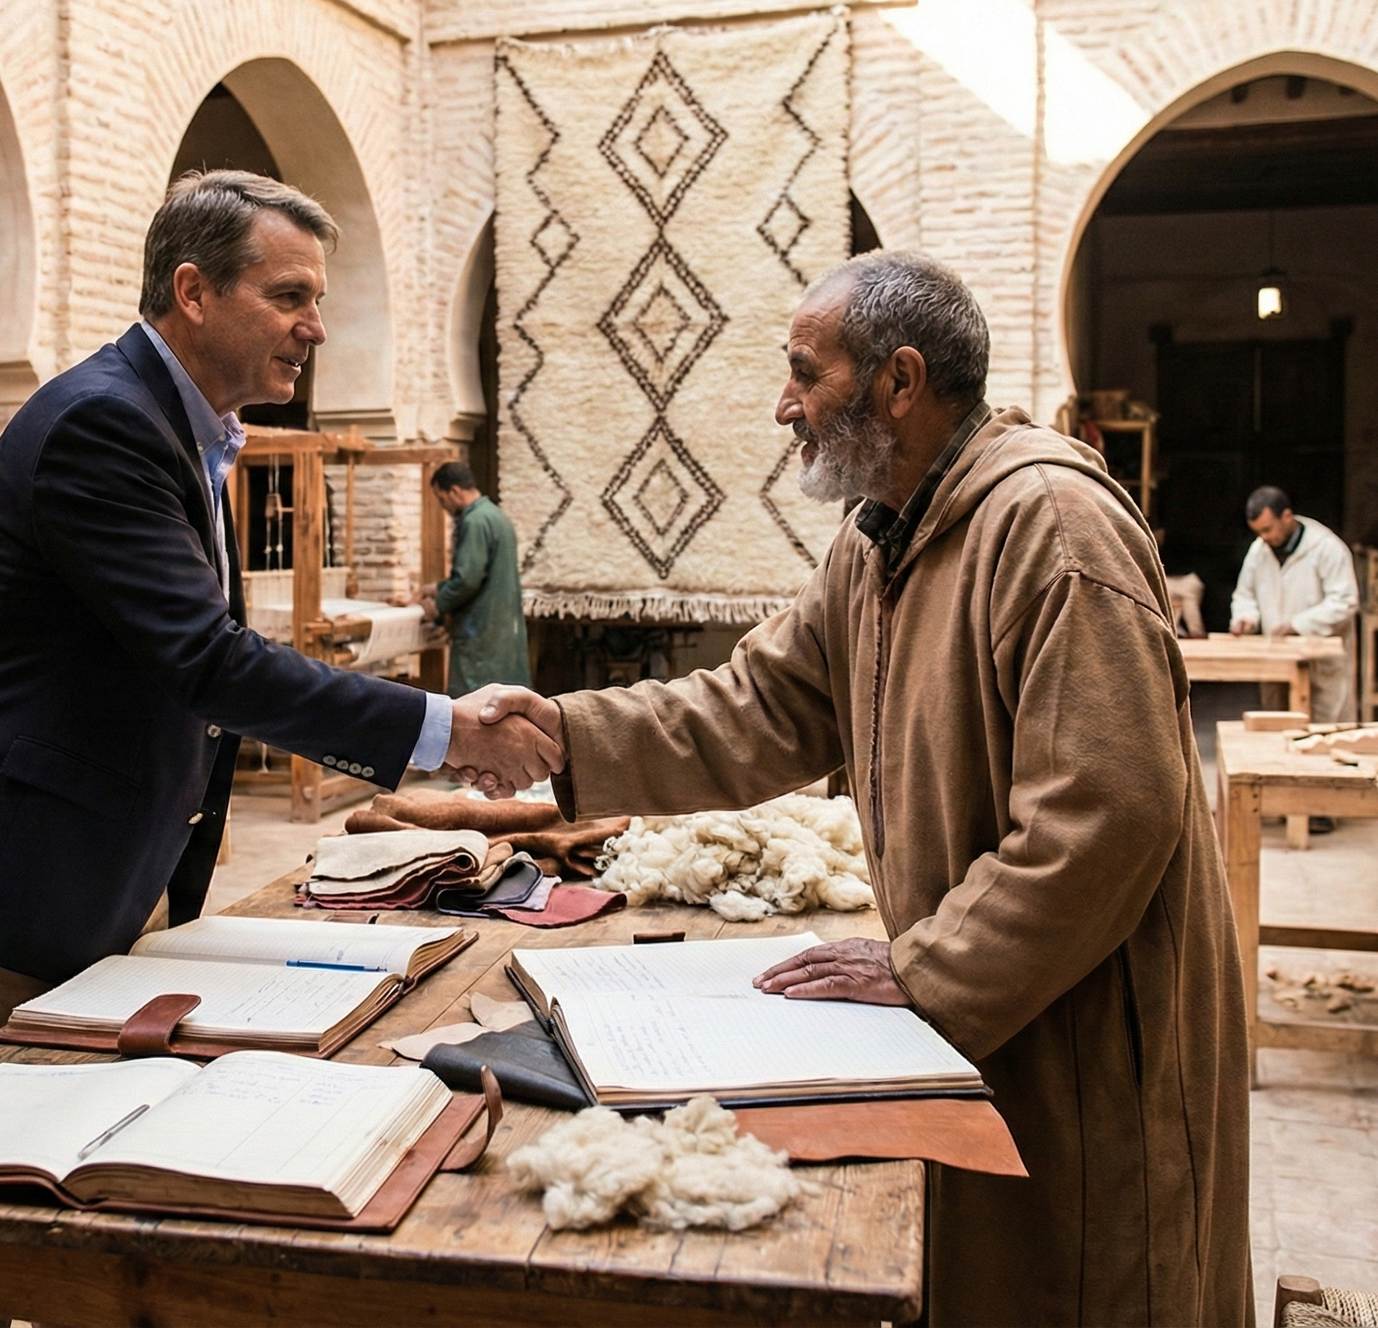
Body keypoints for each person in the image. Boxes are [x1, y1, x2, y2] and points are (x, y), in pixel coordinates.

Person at [470, 250, 1250, 1326]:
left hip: (1085, 1032)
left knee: (1091, 1275)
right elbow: (760, 705)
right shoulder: (879, 534)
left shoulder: (1047, 526)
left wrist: (929, 964)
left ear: (899, 381)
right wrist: (564, 733)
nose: (784, 406)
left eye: (806, 373)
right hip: (992, 1009)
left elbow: (1108, 812)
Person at [0, 170, 556, 1090]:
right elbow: (206, 658)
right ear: (193, 292)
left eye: (318, 300)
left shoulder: (182, 426)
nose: (314, 326)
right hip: (5, 881)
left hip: (93, 867)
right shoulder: (104, 423)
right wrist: (446, 730)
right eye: (288, 297)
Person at [1228, 485, 1358, 723]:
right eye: (1258, 532)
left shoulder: (1326, 548)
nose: (1264, 538)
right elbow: (1245, 595)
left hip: (1321, 662)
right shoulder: (1259, 550)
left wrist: (1298, 624)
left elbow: (1345, 601)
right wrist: (1245, 618)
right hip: (1277, 659)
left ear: (1286, 516)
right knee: (1278, 726)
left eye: (1268, 529)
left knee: (1323, 730)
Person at [406, 462, 530, 694]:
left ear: (454, 491)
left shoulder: (475, 521)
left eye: (442, 499)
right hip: (499, 630)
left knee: (476, 707)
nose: (443, 506)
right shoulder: (496, 516)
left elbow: (468, 579)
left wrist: (438, 605)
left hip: (480, 634)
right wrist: (437, 587)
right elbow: (484, 572)